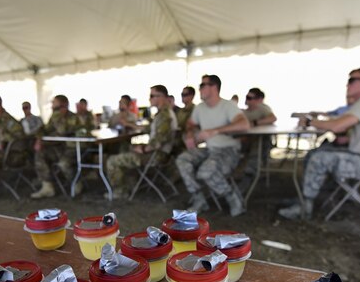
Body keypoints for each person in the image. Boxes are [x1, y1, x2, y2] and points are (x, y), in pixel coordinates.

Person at [278, 67, 360, 220]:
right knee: (316, 153)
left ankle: (304, 208)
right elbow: (339, 123)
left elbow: (338, 125)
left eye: (352, 80)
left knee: (318, 158)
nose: (348, 85)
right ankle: (304, 197)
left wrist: (309, 121)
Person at [176, 74, 249, 215]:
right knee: (182, 160)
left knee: (205, 172)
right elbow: (190, 124)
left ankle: (233, 198)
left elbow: (244, 124)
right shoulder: (200, 108)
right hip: (210, 149)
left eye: (203, 85)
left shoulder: (228, 106)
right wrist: (190, 133)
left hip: (228, 150)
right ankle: (199, 199)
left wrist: (215, 131)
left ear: (214, 87)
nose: (200, 88)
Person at [105, 85, 176, 200]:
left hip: (155, 155)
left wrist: (142, 149)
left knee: (111, 161)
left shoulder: (165, 116)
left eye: (152, 96)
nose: (150, 98)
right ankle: (131, 183)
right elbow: (148, 129)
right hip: (157, 153)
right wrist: (130, 125)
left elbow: (158, 141)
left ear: (162, 97)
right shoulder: (162, 114)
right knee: (125, 148)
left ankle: (120, 191)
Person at [30, 95, 81, 199]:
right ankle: (47, 187)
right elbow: (45, 129)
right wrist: (39, 139)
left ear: (64, 105)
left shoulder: (73, 118)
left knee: (64, 163)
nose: (52, 106)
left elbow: (62, 132)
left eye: (55, 104)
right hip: (58, 148)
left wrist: (60, 116)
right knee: (40, 154)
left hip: (71, 148)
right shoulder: (54, 116)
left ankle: (76, 182)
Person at [239, 88, 277, 187]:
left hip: (259, 141)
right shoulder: (243, 112)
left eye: (250, 98)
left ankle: (249, 176)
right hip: (244, 141)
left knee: (258, 148)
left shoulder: (262, 109)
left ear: (258, 100)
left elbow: (272, 118)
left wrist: (255, 123)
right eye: (247, 97)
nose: (247, 100)